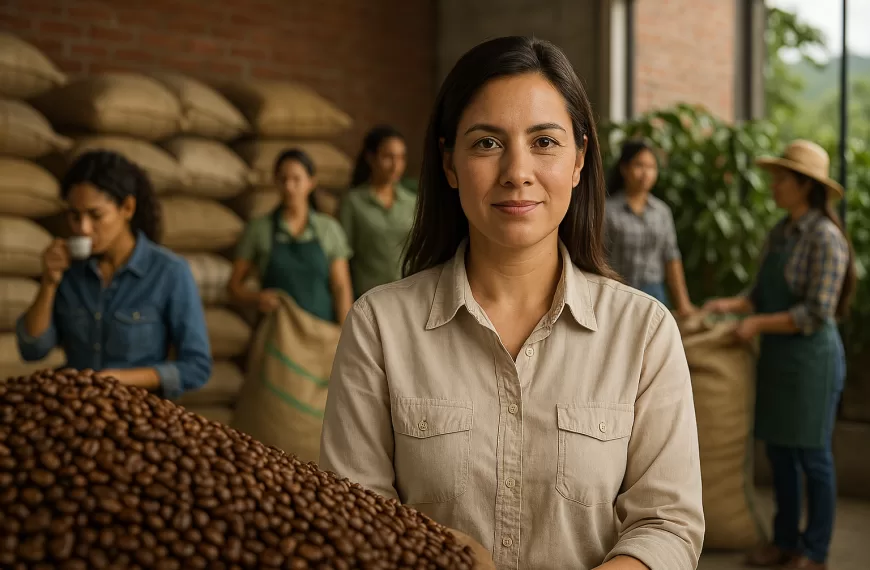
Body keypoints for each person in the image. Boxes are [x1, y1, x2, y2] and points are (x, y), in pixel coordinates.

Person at [321, 36, 704, 570]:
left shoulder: (643, 330)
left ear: (579, 159)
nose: (517, 172)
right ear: (449, 163)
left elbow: (668, 525)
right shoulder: (380, 326)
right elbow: (355, 519)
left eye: (544, 141)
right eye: (486, 143)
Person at [704, 140, 855, 570]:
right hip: (778, 360)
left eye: (781, 179)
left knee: (812, 456)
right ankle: (785, 541)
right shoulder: (781, 233)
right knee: (781, 455)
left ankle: (814, 550)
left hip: (811, 362)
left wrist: (755, 325)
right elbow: (759, 294)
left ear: (805, 185)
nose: (773, 186)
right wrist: (729, 306)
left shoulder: (826, 238)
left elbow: (816, 312)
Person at [16, 150, 212, 399]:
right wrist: (49, 282)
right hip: (75, 406)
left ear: (127, 208)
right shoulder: (69, 270)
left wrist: (117, 380)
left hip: (137, 409)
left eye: (95, 215)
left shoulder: (169, 272)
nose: (83, 228)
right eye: (75, 216)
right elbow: (32, 349)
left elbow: (197, 367)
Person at [229, 148, 354, 325]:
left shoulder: (328, 229)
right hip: (276, 332)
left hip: (320, 332)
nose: (289, 186)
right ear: (275, 181)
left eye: (296, 179)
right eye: (283, 179)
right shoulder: (259, 229)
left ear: (311, 182)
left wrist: (345, 333)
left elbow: (341, 287)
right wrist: (257, 298)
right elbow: (234, 288)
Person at [604, 139, 695, 314]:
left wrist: (683, 304)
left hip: (655, 296)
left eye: (651, 167)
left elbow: (671, 257)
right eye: (639, 165)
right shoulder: (607, 211)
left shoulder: (662, 212)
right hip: (619, 295)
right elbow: (599, 257)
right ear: (624, 168)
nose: (646, 173)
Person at [339, 125, 416, 298]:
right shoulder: (353, 202)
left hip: (408, 295)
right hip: (368, 296)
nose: (396, 165)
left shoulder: (412, 202)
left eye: (401, 158)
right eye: (388, 157)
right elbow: (342, 257)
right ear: (370, 158)